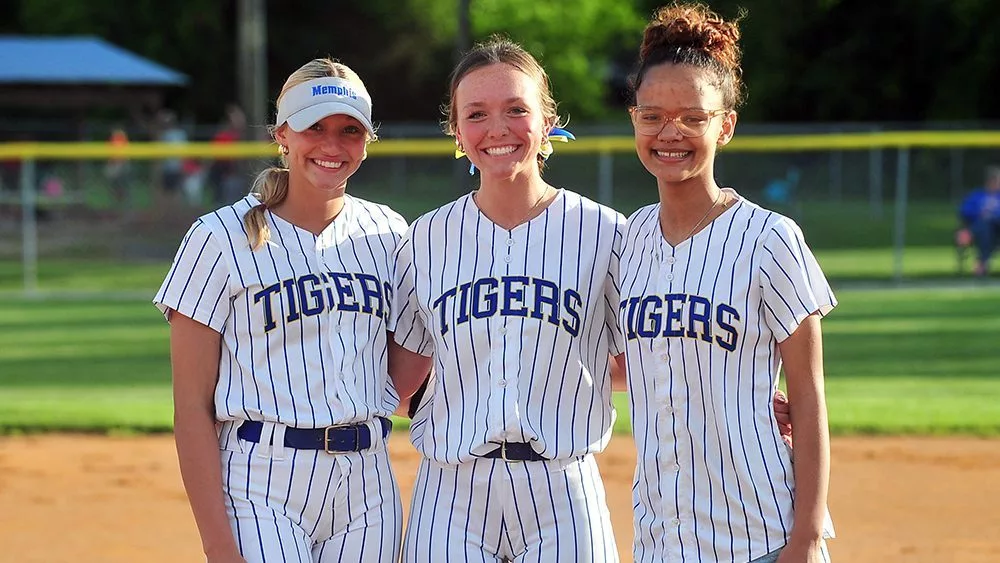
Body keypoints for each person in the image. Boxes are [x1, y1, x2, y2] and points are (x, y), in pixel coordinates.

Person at [387, 37, 793, 563]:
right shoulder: (425, 239)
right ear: (457, 131)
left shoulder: (605, 234)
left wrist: (730, 387)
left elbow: (647, 348)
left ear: (546, 119)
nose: (498, 129)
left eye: (517, 110)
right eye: (477, 113)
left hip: (563, 486)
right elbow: (398, 380)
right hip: (451, 490)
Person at [153, 58, 407, 563]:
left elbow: (410, 365)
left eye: (349, 130)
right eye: (315, 127)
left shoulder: (391, 234)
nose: (332, 145)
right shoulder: (218, 237)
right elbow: (191, 407)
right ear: (282, 134)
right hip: (261, 477)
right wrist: (218, 544)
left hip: (369, 484)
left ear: (367, 139)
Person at [619, 4, 835, 563]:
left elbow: (808, 396)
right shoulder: (630, 239)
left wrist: (807, 538)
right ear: (634, 121)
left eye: (693, 116)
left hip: (758, 535)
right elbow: (636, 366)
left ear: (726, 125)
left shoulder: (770, 238)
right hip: (661, 537)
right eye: (653, 116)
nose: (671, 132)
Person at [957, 165, 1000, 276]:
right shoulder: (977, 195)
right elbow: (964, 211)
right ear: (990, 181)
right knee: (985, 228)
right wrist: (979, 214)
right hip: (981, 228)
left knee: (990, 223)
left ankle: (981, 263)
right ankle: (982, 263)